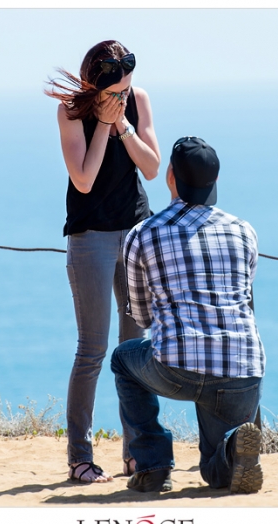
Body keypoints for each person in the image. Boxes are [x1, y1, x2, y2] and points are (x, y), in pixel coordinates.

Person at [111, 136, 266, 494]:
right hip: (242, 367)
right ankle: (231, 449)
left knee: (123, 359)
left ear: (171, 176)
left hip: (176, 368)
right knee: (215, 471)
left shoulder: (143, 234)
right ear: (216, 179)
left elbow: (142, 317)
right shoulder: (244, 231)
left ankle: (153, 466)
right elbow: (244, 297)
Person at [45, 40, 161, 483]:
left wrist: (124, 124)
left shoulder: (138, 101)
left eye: (126, 89)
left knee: (135, 348)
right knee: (92, 350)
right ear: (95, 87)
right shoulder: (71, 112)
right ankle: (80, 458)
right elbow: (84, 179)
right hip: (90, 237)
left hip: (135, 234)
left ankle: (138, 453)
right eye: (114, 92)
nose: (122, 97)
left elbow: (152, 168)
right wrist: (103, 125)